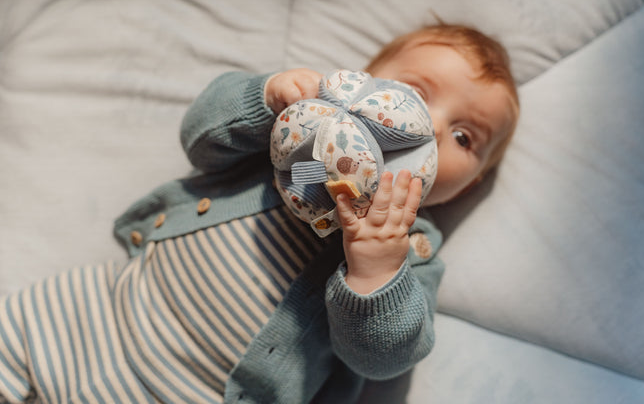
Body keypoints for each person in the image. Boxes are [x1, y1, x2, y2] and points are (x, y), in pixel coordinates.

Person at [0, 24, 519, 404]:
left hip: (198, 390)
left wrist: (377, 271)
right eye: (417, 93)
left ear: (466, 186)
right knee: (12, 326)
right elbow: (198, 139)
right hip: (101, 308)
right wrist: (264, 99)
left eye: (463, 136)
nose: (426, 126)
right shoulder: (294, 139)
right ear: (359, 82)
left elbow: (385, 359)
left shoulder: (412, 250)